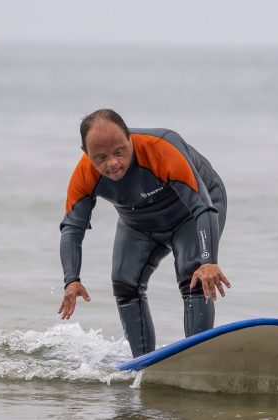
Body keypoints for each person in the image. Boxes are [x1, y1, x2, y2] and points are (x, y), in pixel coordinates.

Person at [57, 109, 230, 358]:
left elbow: (202, 207)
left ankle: (196, 358)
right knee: (125, 284)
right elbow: (72, 229)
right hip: (137, 222)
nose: (113, 164)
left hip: (193, 212)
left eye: (119, 152)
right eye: (101, 157)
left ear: (130, 138)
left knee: (193, 275)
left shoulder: (161, 147)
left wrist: (208, 261)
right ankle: (143, 364)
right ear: (86, 153)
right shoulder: (84, 173)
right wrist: (71, 279)